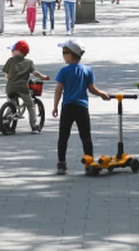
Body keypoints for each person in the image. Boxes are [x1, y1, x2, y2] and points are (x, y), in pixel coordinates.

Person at [52, 39, 109, 175]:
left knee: (63, 136)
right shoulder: (87, 70)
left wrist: (55, 106)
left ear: (70, 55)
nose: (63, 55)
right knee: (85, 136)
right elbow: (92, 89)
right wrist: (102, 94)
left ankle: (61, 163)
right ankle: (89, 163)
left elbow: (58, 90)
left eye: (64, 52)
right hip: (82, 107)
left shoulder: (64, 71)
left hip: (67, 107)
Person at [3, 40, 50, 134]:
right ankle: (34, 126)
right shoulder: (29, 62)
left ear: (18, 52)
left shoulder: (10, 61)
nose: (11, 52)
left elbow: (7, 76)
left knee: (11, 104)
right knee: (31, 105)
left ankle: (5, 121)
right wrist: (43, 77)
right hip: (22, 88)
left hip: (10, 87)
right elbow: (35, 73)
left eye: (13, 50)